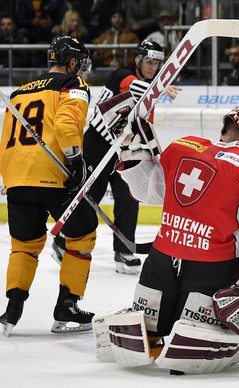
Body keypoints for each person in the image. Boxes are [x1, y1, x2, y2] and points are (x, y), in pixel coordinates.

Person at [92, 106, 239, 374]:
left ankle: (147, 330)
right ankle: (198, 336)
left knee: (150, 329)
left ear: (224, 129)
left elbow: (146, 191)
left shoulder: (183, 147)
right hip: (210, 273)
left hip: (158, 268)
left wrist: (132, 151)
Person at [51, 39, 180, 275]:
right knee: (90, 196)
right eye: (149, 62)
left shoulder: (148, 86)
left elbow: (144, 122)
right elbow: (136, 89)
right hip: (98, 144)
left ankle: (123, 251)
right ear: (138, 60)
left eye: (157, 64)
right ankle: (62, 241)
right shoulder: (123, 76)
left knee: (128, 197)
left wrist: (153, 152)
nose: (153, 67)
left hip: (123, 149)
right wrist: (160, 87)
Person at [0, 35, 98, 336]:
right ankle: (66, 307)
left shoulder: (18, 93)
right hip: (54, 175)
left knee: (24, 246)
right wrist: (76, 162)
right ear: (71, 62)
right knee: (82, 233)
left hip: (17, 177)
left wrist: (10, 178)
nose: (81, 69)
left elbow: (6, 137)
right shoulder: (73, 85)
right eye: (79, 63)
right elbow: (67, 125)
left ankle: (11, 311)